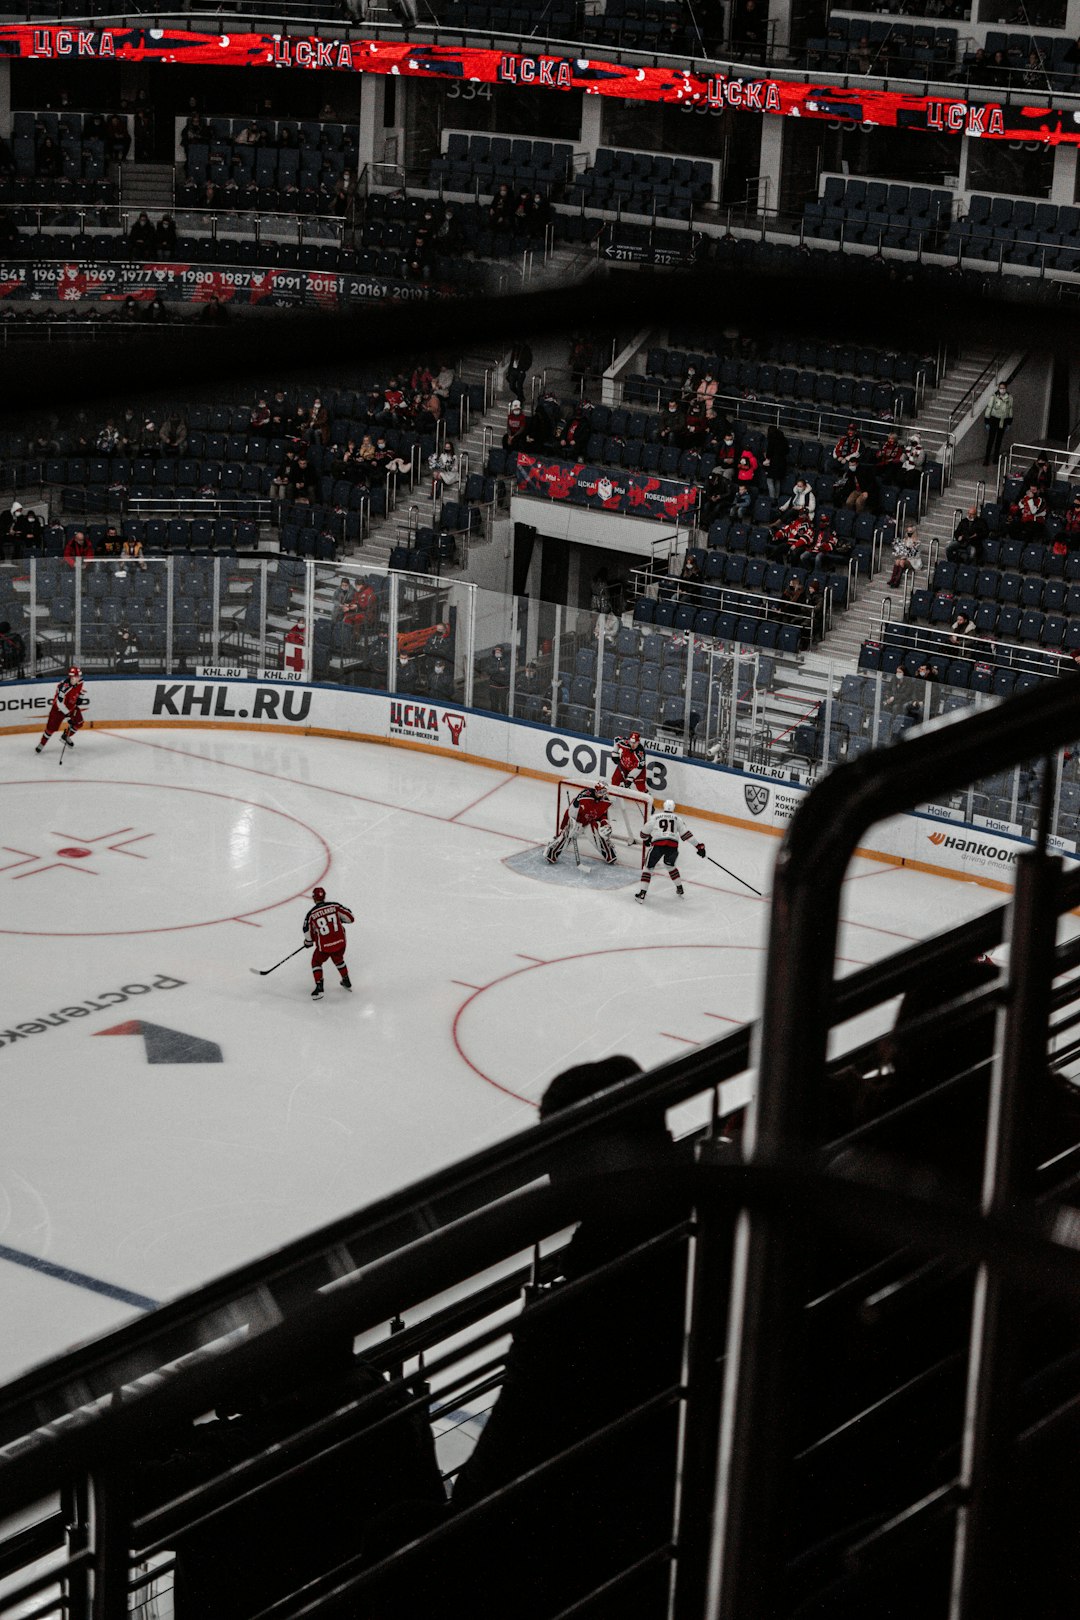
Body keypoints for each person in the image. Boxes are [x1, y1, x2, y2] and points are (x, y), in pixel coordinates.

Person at [636, 798, 706, 902]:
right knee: (670, 866)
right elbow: (686, 835)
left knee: (648, 868)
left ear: (664, 806)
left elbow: (643, 834)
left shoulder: (655, 817)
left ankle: (642, 893)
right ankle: (680, 888)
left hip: (658, 845)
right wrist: (699, 846)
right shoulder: (678, 819)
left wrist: (647, 838)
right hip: (672, 847)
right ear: (673, 808)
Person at [546, 781, 617, 866]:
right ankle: (551, 853)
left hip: (589, 822)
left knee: (597, 836)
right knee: (567, 837)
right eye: (601, 791)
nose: (602, 794)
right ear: (596, 790)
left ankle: (609, 855)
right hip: (577, 821)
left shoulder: (605, 801)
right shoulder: (585, 796)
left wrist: (605, 824)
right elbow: (571, 811)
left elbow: (603, 815)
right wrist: (569, 824)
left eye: (604, 792)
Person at [303, 886, 355, 1000]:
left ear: (313, 898)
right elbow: (351, 918)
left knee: (316, 961)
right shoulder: (335, 906)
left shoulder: (311, 914)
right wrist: (340, 920)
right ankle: (346, 980)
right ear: (325, 896)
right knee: (338, 958)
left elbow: (307, 930)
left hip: (325, 947)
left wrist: (308, 941)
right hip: (341, 942)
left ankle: (319, 987)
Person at [35, 665, 87, 754]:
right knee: (50, 729)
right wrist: (68, 717)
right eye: (76, 677)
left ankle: (65, 736)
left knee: (79, 723)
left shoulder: (80, 681)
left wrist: (80, 696)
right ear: (71, 677)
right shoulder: (63, 688)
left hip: (71, 707)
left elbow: (78, 692)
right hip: (58, 710)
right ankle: (42, 743)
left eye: (79, 676)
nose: (79, 678)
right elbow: (60, 704)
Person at [984, 381, 1014, 466]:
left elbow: (1010, 410)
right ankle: (986, 459)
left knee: (999, 441)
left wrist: (1009, 422)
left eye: (1003, 388)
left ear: (1006, 388)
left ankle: (996, 458)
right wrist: (986, 420)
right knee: (991, 440)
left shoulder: (1009, 398)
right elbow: (989, 408)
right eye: (1001, 388)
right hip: (994, 419)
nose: (1002, 390)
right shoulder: (994, 397)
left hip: (1003, 420)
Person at [887, 522, 922, 588]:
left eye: (911, 531)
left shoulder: (917, 542)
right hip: (905, 558)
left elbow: (915, 554)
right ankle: (893, 579)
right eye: (908, 531)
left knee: (902, 561)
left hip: (913, 560)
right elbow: (902, 551)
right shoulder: (905, 540)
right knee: (897, 561)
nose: (909, 533)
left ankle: (897, 582)